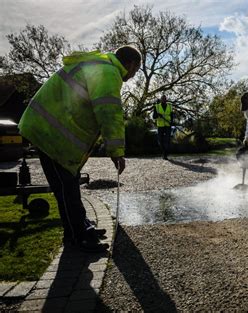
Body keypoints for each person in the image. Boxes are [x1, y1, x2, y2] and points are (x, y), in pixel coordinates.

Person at [18, 46, 142, 252]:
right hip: (48, 133)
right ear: (130, 64)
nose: (133, 75)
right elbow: (109, 114)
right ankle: (76, 238)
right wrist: (117, 152)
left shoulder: (100, 65)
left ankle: (81, 225)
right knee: (66, 188)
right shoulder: (109, 72)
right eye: (136, 70)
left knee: (70, 183)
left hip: (47, 128)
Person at [153, 94, 173, 160]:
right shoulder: (157, 106)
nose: (164, 100)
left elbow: (172, 115)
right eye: (162, 98)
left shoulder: (170, 106)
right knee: (160, 140)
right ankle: (164, 152)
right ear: (161, 99)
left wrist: (172, 122)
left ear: (166, 99)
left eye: (165, 98)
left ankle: (165, 154)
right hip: (160, 126)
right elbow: (154, 117)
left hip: (168, 125)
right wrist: (158, 115)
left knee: (167, 140)